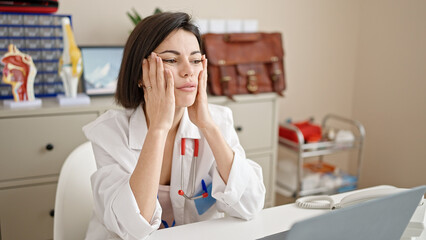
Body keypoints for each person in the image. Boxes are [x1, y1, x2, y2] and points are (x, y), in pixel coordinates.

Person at [83, 11, 265, 240]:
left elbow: (251, 205)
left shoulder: (217, 121)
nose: (189, 71)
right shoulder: (109, 133)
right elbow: (131, 228)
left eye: (196, 60)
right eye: (171, 59)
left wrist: (207, 125)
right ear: (141, 74)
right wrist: (158, 128)